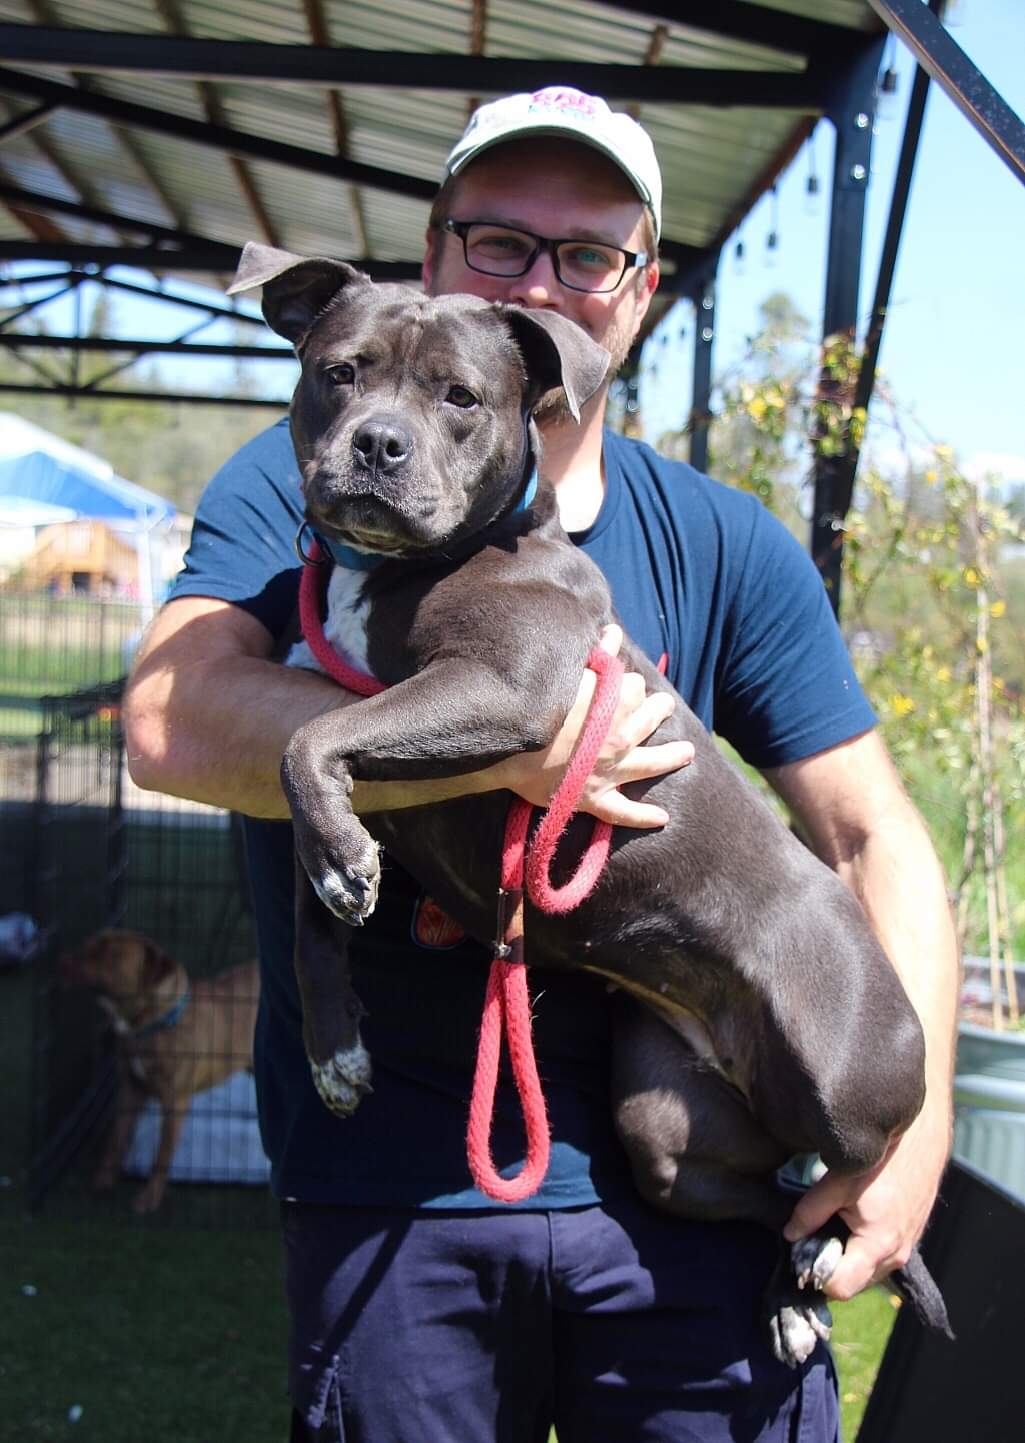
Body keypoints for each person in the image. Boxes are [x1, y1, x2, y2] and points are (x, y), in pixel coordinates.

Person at [124, 88, 958, 1442]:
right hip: (397, 1187)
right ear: (440, 251)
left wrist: (908, 1147)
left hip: (685, 1168)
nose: (545, 277)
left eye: (587, 255)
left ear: (631, 293)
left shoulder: (722, 541)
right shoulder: (301, 485)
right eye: (502, 239)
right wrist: (504, 756)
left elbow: (871, 836)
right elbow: (171, 723)